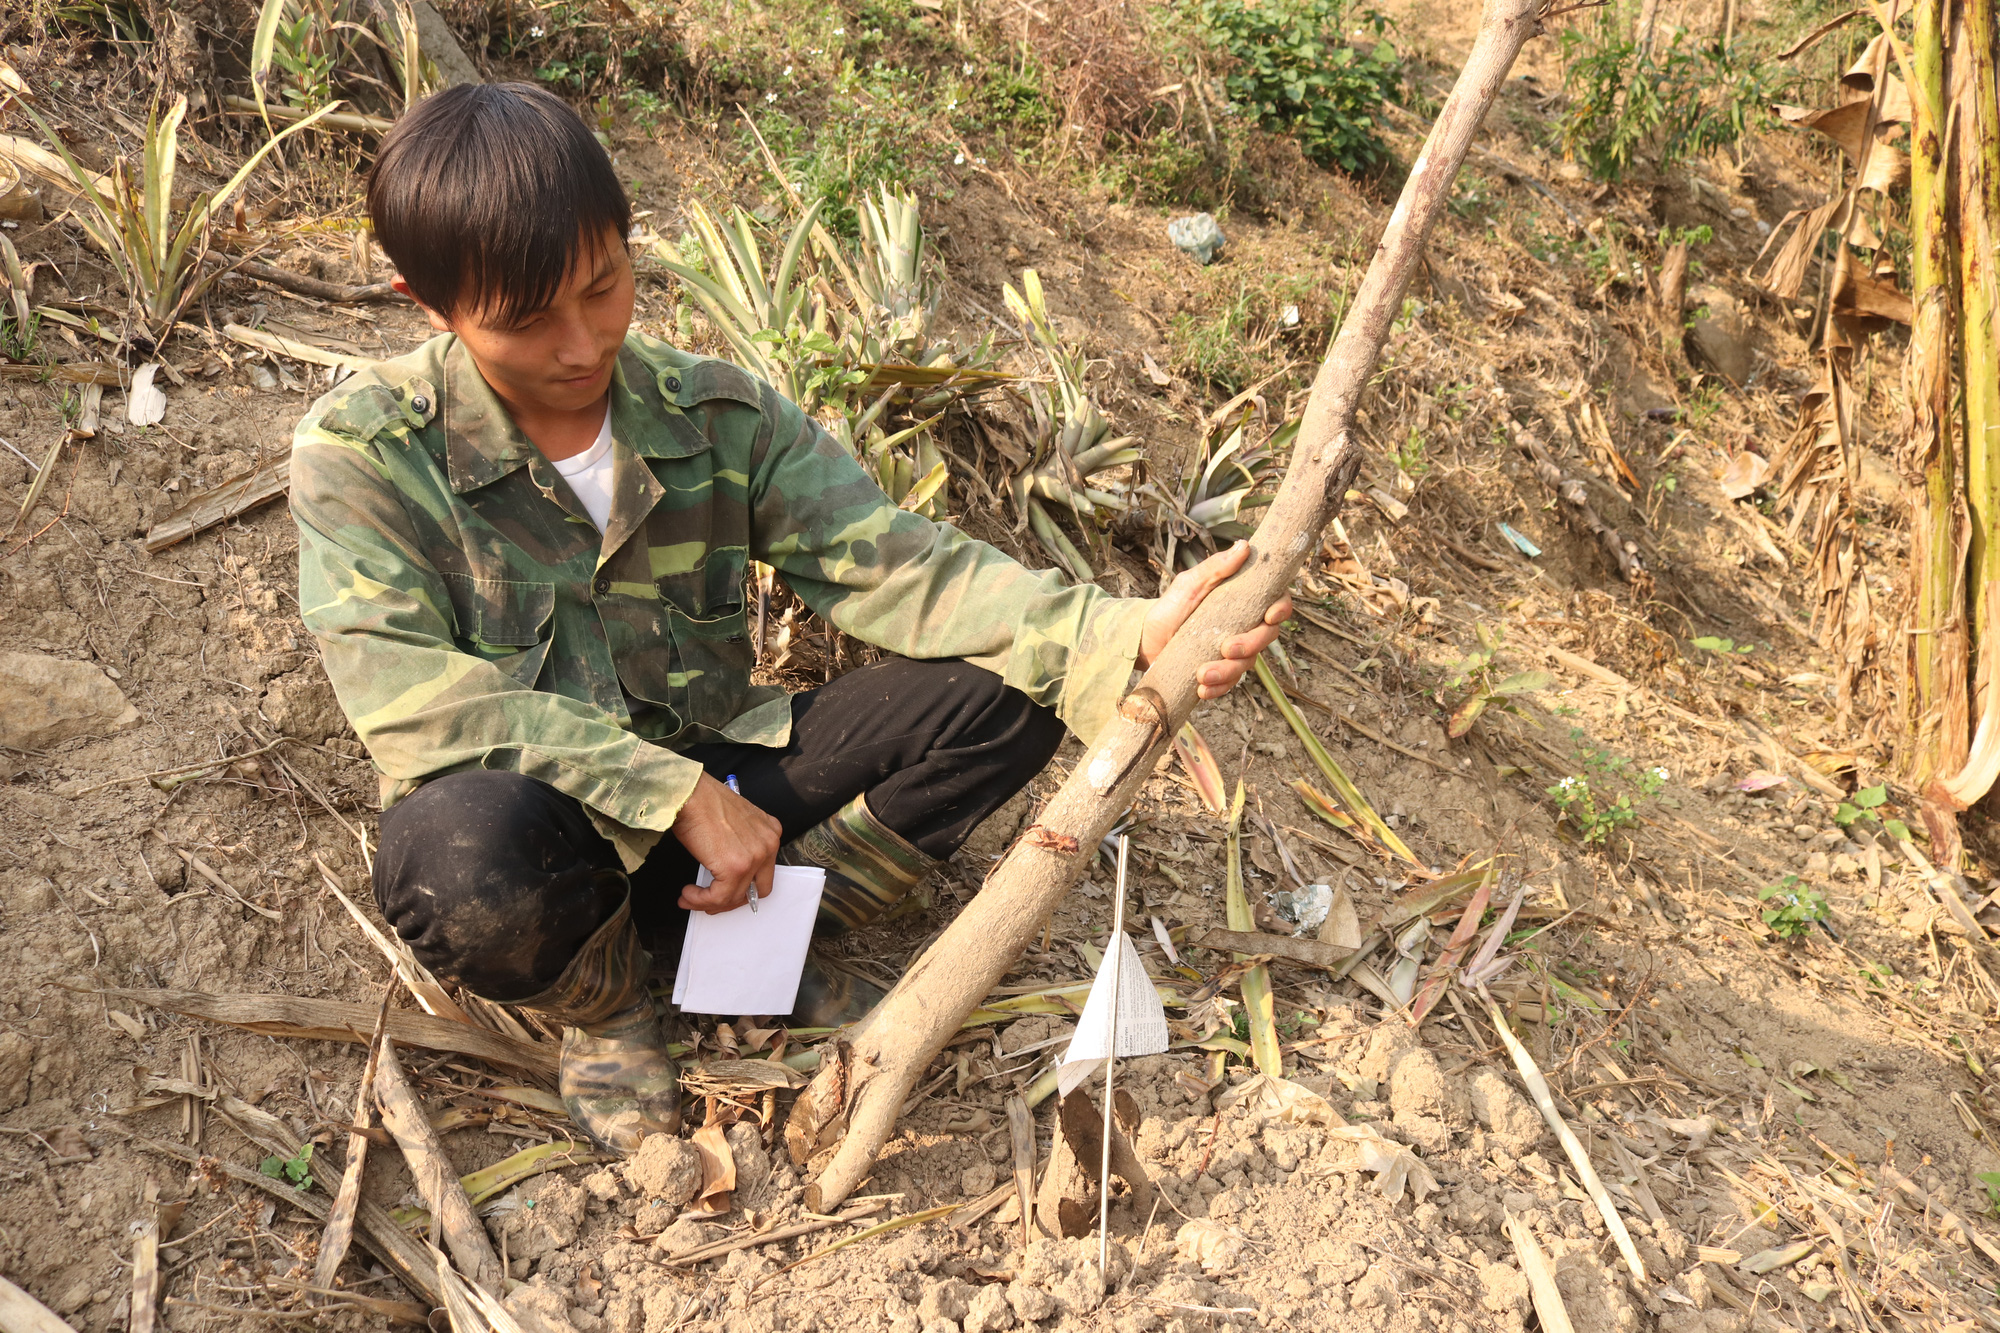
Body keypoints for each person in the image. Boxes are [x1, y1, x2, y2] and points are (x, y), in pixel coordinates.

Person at [290, 83, 1289, 1155]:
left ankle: (768, 944)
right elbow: (410, 702)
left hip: (733, 811)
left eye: (605, 287)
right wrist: (666, 792)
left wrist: (1116, 631)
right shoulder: (365, 454)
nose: (582, 344)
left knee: (1007, 686)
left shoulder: (713, 415)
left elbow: (887, 562)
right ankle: (612, 1002)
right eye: (526, 321)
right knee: (451, 857)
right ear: (427, 302)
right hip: (558, 839)